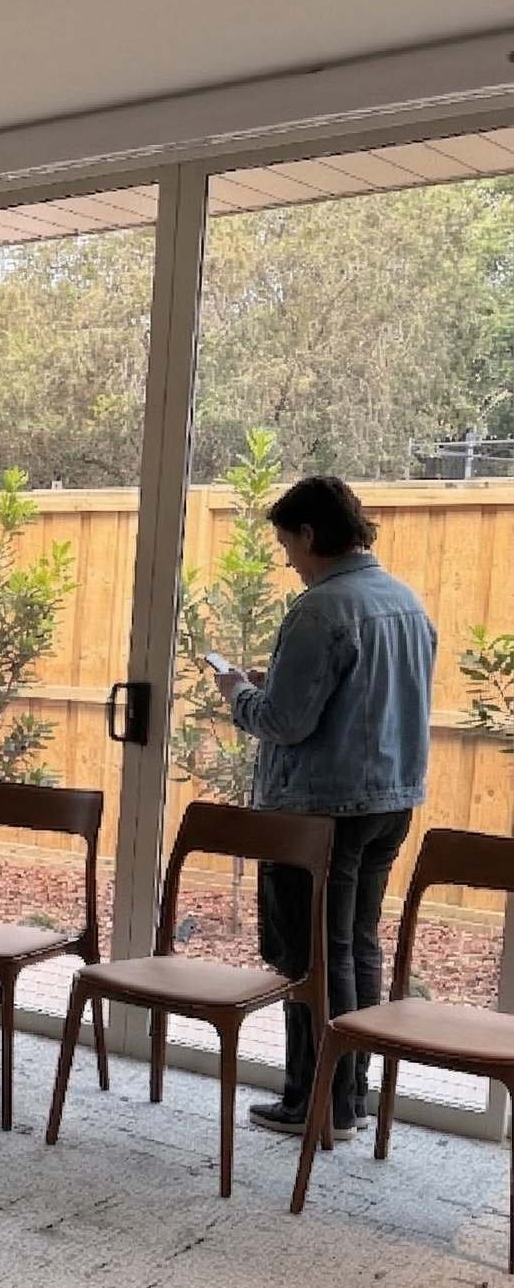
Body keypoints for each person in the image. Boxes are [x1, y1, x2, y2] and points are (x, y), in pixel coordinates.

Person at [213, 475, 436, 1142]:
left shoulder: (321, 609)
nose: (287, 560)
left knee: (313, 958)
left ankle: (316, 1102)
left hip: (319, 811)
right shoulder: (406, 603)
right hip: (390, 803)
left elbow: (284, 722)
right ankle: (351, 1095)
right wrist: (273, 684)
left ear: (310, 535)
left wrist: (237, 692)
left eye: (287, 544)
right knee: (356, 947)